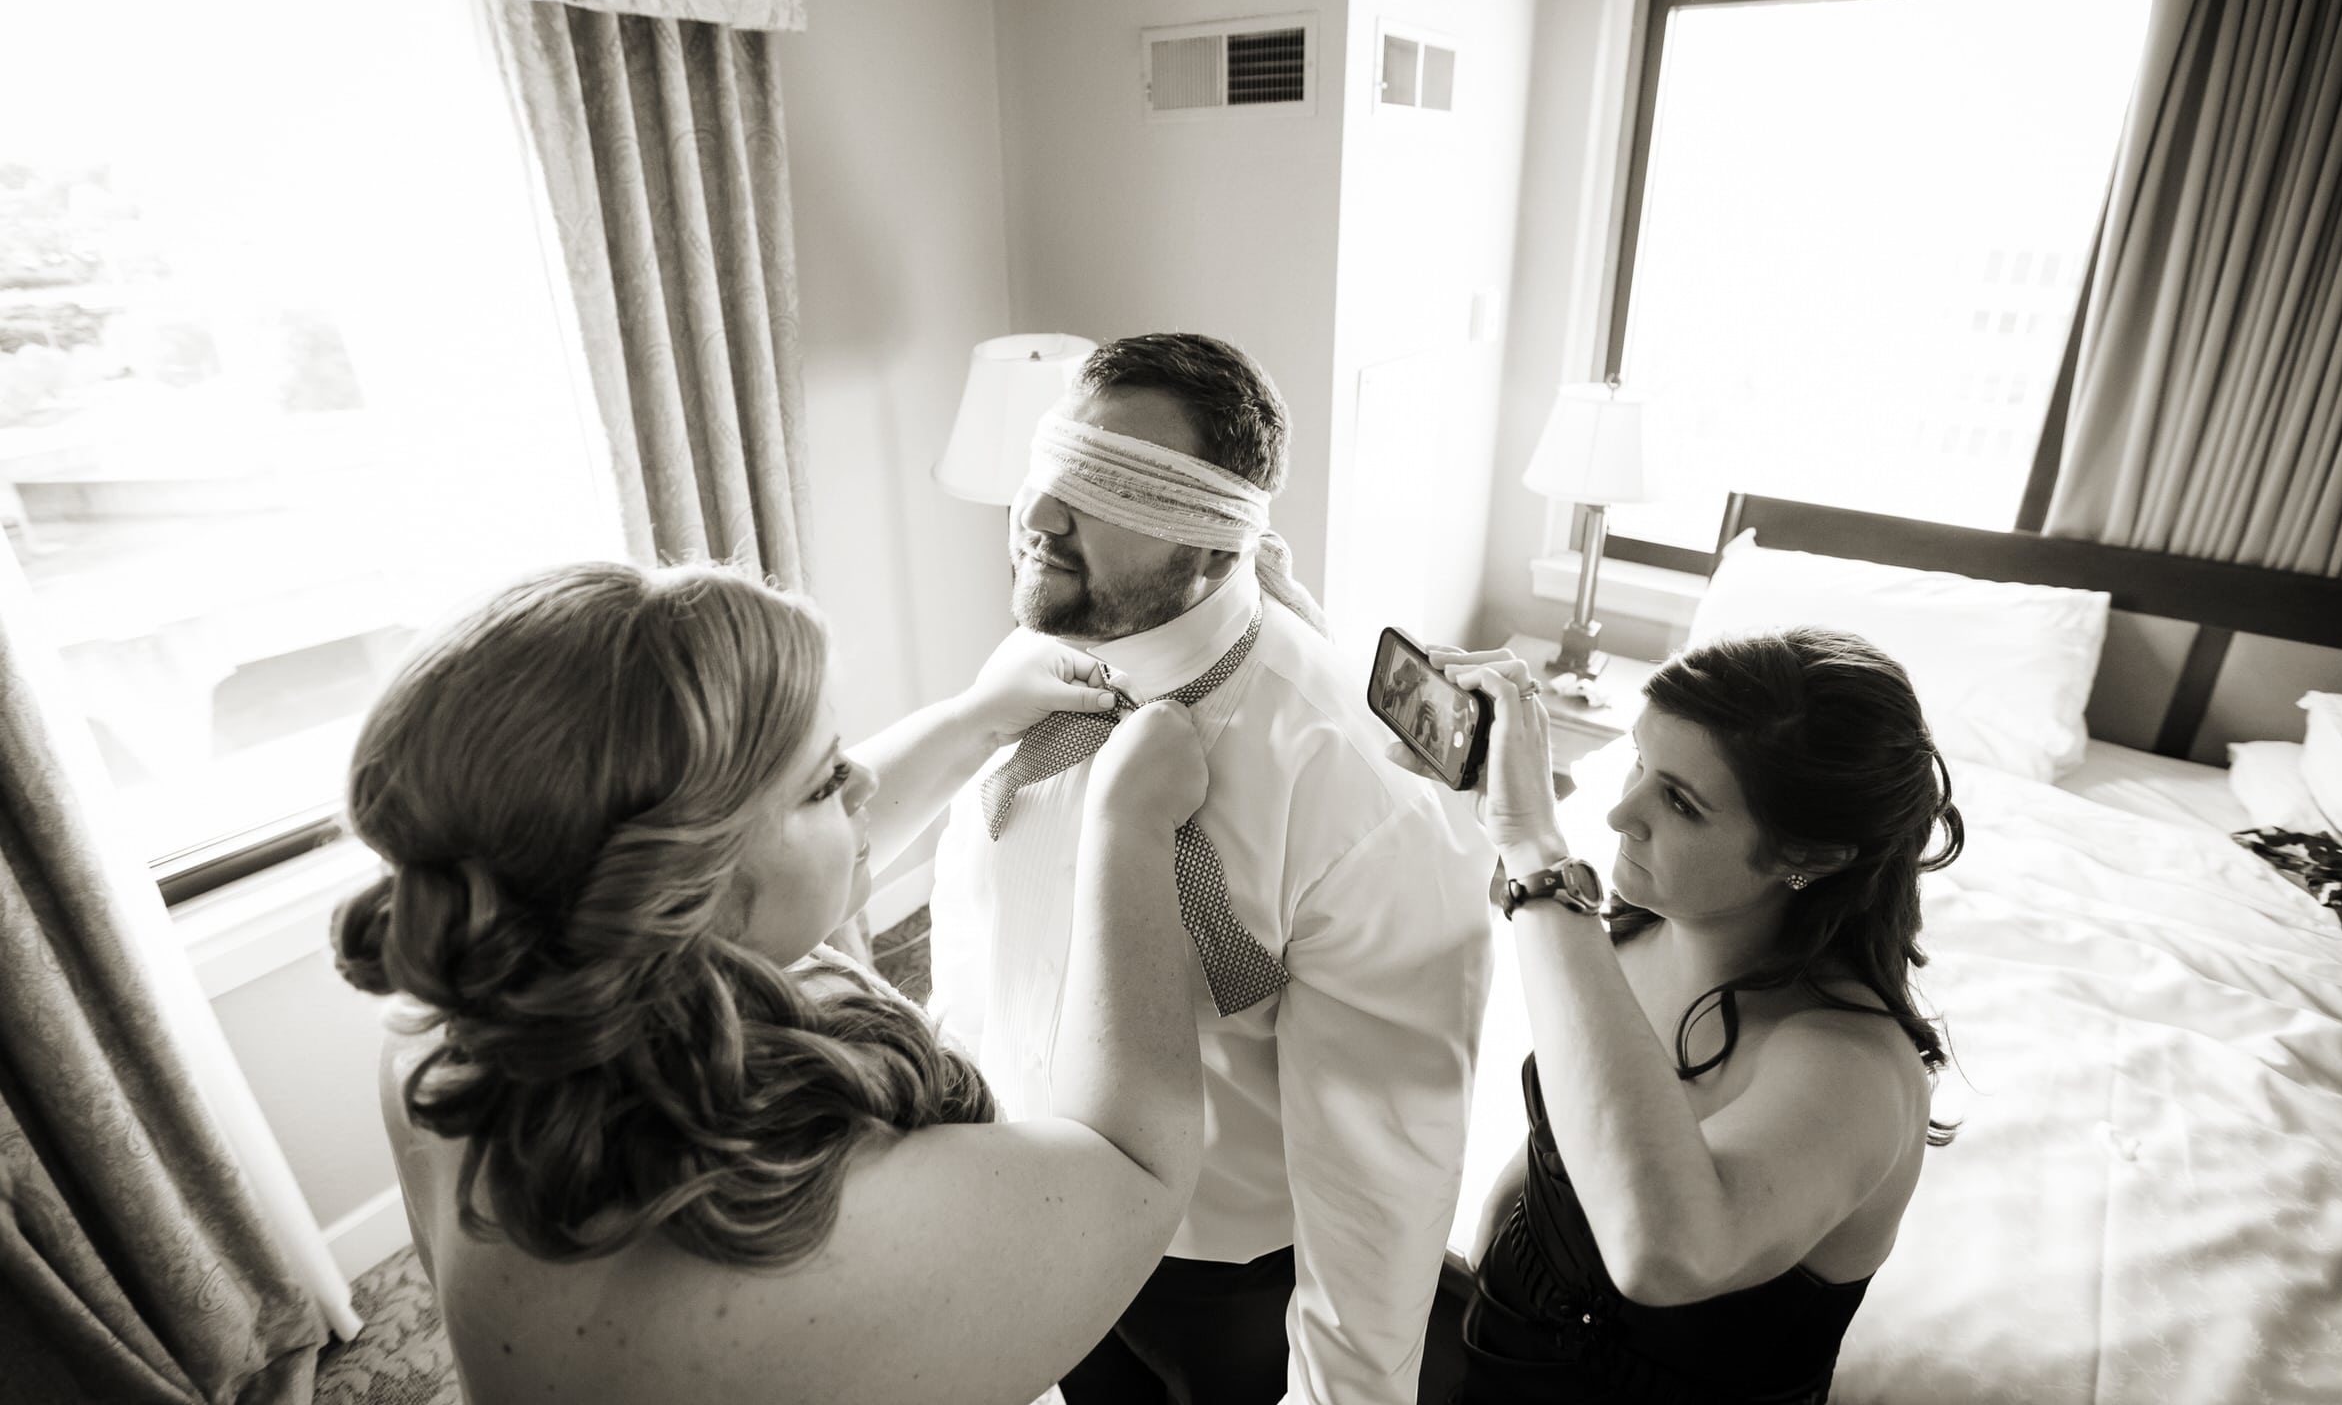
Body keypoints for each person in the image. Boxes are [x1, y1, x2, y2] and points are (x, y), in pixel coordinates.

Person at [332, 560, 1213, 1405]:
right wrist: (1128, 825)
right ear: (676, 890)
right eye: (827, 781)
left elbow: (778, 873)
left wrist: (975, 719)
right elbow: (1134, 1169)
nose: (865, 779)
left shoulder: (446, 1024)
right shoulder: (817, 1226)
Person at [931, 333, 1493, 1405]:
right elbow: (974, 927)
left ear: (1217, 540)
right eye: (1049, 465)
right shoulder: (1034, 667)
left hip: (1224, 1286)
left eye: (1109, 486)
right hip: (1035, 1216)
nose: (1038, 513)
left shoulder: (1356, 796)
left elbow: (1382, 1174)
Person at [1412, 627, 1960, 1405]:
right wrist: (1490, 1251)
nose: (1619, 814)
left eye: (1680, 801)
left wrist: (1536, 854)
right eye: (1639, 761)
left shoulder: (1853, 1070)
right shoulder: (1633, 934)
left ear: (1807, 856)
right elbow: (1565, 1135)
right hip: (1497, 1344)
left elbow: (1661, 1252)